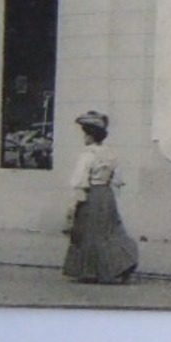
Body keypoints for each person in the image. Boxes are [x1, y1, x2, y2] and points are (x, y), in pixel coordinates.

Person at [62, 110, 139, 284]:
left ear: (91, 135)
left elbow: (79, 180)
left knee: (87, 234)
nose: (84, 138)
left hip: (91, 195)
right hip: (106, 195)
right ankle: (123, 262)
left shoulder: (87, 155)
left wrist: (74, 202)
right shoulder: (110, 154)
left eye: (86, 134)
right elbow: (118, 178)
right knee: (110, 232)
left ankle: (90, 271)